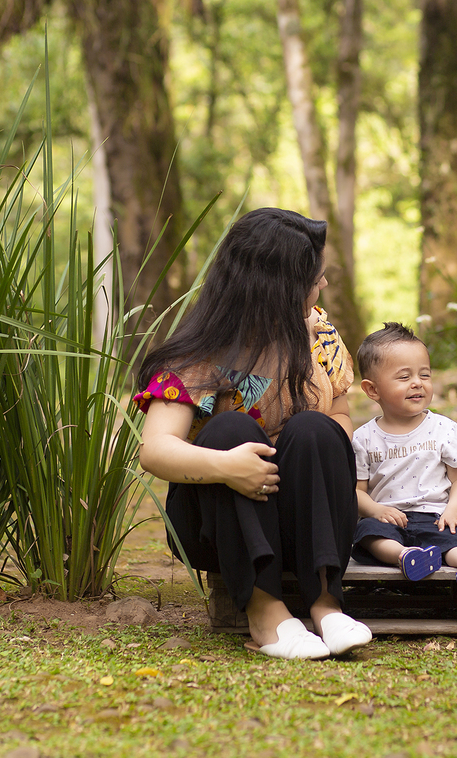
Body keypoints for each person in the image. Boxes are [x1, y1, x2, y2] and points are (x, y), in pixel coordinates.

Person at [137, 208, 372, 660]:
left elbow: (341, 419)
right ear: (277, 287)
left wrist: (301, 447)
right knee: (231, 428)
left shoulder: (318, 331)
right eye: (315, 279)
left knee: (316, 428)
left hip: (307, 519)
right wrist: (228, 466)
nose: (322, 287)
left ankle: (327, 604)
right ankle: (266, 614)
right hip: (221, 523)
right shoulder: (201, 349)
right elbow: (155, 449)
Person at [351, 323, 457, 588]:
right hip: (388, 518)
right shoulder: (364, 437)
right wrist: (377, 510)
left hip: (435, 517)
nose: (417, 383)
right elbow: (357, 491)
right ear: (372, 390)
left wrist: (453, 512)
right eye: (404, 377)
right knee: (369, 534)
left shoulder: (444, 428)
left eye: (424, 375)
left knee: (451, 539)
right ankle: (406, 557)